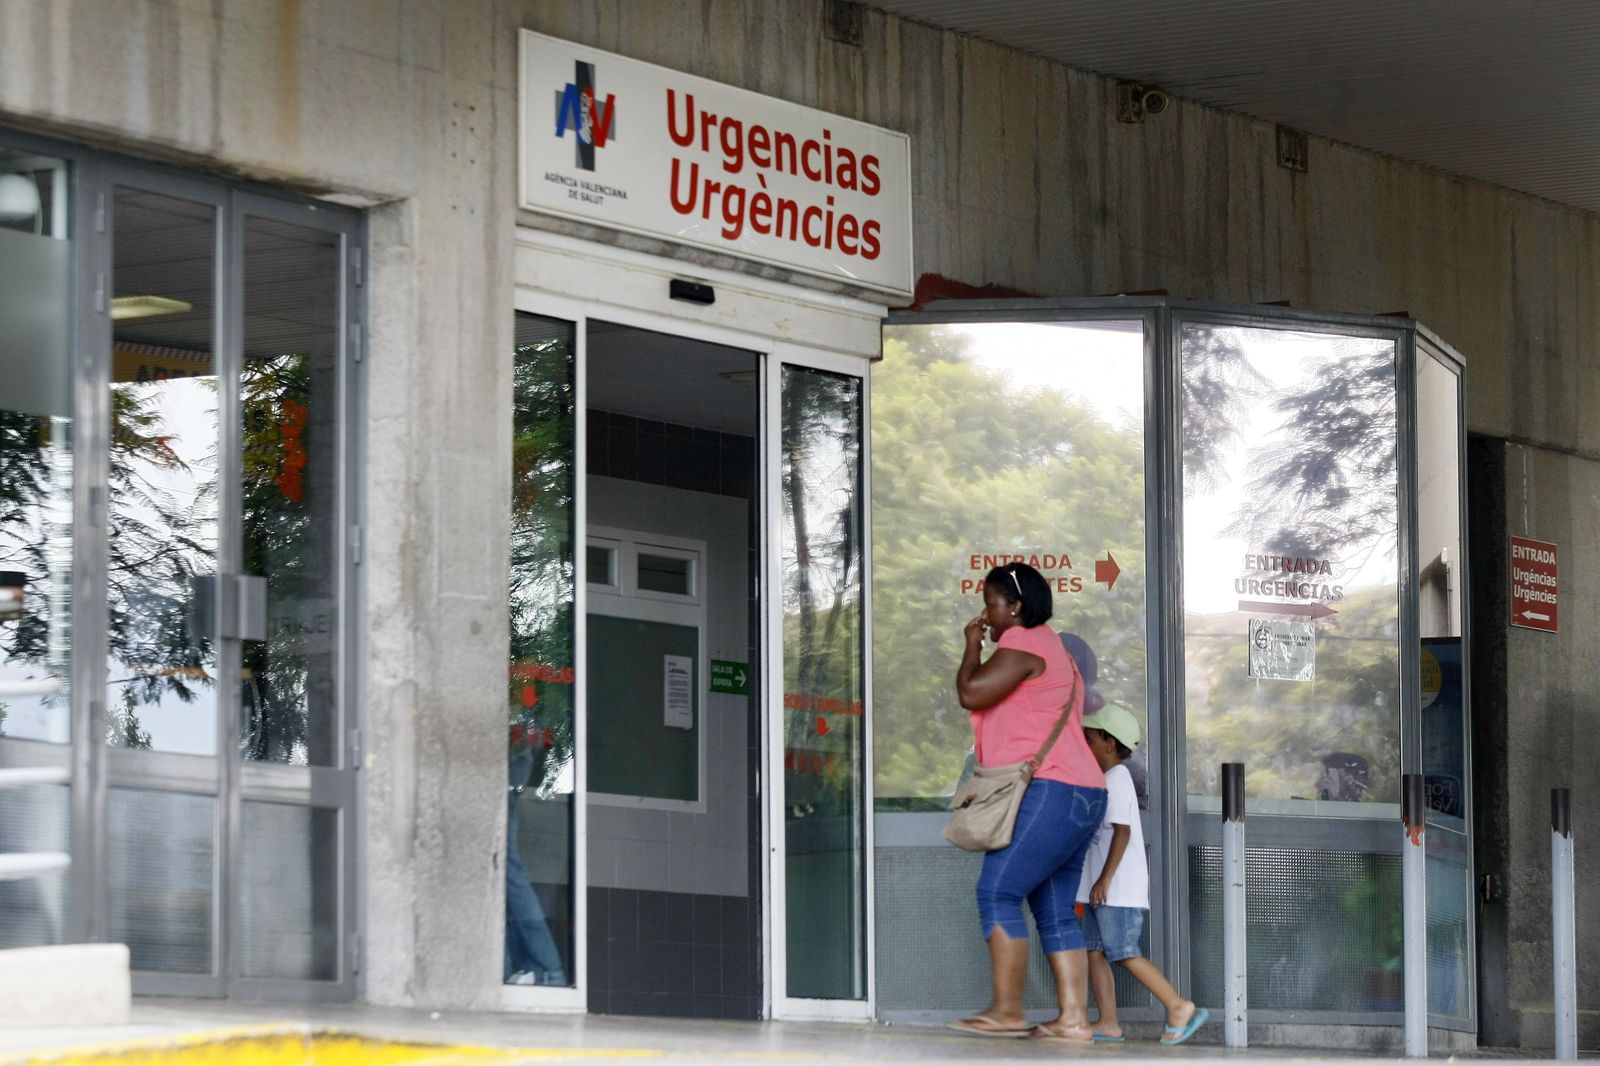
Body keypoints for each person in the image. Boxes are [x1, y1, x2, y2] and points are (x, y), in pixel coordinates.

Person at [949, 562, 1107, 1042]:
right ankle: (1075, 1018)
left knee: (997, 892)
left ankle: (1007, 1010)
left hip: (1053, 791)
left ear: (1015, 607)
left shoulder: (1023, 643)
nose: (986, 615)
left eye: (992, 605)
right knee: (1055, 910)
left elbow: (970, 693)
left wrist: (973, 644)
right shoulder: (1058, 651)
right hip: (1085, 793)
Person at [1076, 705, 1208, 1045]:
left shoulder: (1117, 779)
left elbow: (1121, 832)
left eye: (1088, 738)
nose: (1083, 744)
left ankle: (1178, 1006)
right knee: (1094, 951)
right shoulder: (1104, 781)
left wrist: (1104, 879)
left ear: (1108, 742)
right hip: (1098, 888)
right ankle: (1108, 1022)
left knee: (1124, 951)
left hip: (1115, 889)